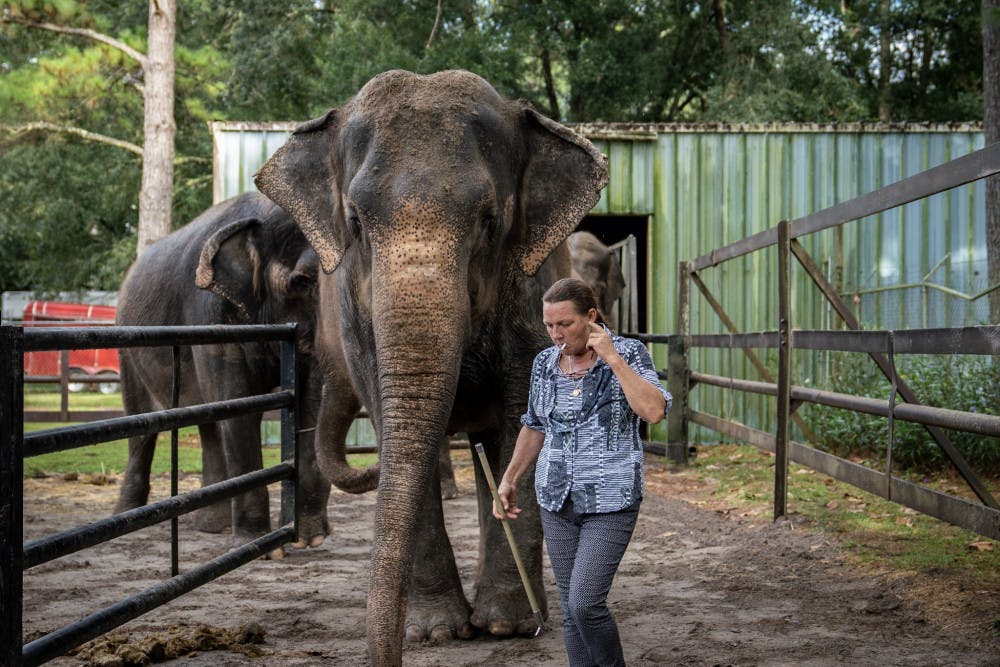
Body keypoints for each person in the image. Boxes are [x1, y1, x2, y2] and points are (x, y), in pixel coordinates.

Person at [495, 277, 671, 667]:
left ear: (590, 317)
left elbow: (654, 411)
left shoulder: (629, 352)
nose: (556, 334)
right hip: (555, 499)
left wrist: (612, 358)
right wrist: (510, 479)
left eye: (566, 325)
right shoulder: (544, 363)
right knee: (570, 611)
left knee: (586, 603)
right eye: (549, 326)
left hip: (611, 499)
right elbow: (535, 424)